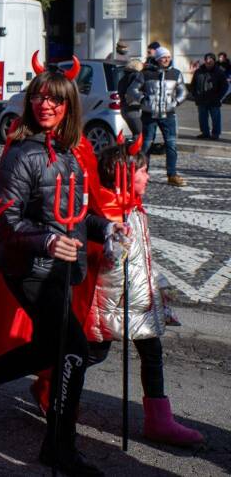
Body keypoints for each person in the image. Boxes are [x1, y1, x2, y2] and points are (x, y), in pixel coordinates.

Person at [0, 59, 111, 476]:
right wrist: (46, 239)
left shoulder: (71, 153)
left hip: (61, 268)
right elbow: (3, 221)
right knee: (74, 351)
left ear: (69, 107)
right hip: (30, 268)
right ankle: (59, 446)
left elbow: (76, 215)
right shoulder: (23, 153)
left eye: (54, 99)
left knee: (49, 348)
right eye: (38, 96)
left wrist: (107, 229)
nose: (44, 104)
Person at [78, 142, 204, 447]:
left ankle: (159, 420)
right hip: (115, 300)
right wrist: (113, 238)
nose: (149, 177)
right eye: (144, 171)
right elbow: (102, 246)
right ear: (124, 173)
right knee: (93, 353)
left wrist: (156, 284)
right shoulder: (109, 209)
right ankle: (56, 386)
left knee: (151, 352)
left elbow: (140, 256)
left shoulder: (134, 207)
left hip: (137, 298)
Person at [140, 46, 187, 186]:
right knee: (146, 144)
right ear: (157, 58)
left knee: (171, 144)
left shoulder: (176, 73)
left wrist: (175, 102)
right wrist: (143, 100)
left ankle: (172, 175)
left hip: (169, 115)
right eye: (163, 57)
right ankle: (143, 174)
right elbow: (133, 90)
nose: (166, 59)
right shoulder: (145, 73)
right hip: (149, 114)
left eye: (168, 57)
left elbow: (183, 92)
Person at [190, 52, 225, 140]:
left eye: (210, 60)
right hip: (201, 99)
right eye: (206, 60)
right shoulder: (198, 71)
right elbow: (193, 84)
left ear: (214, 61)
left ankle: (215, 134)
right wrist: (195, 94)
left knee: (215, 118)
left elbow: (225, 86)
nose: (208, 62)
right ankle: (205, 133)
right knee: (202, 118)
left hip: (214, 99)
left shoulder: (219, 72)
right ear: (204, 61)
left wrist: (219, 96)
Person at [118, 59, 145, 137]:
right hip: (134, 108)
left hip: (125, 109)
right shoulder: (136, 76)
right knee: (139, 135)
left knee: (136, 134)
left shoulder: (123, 79)